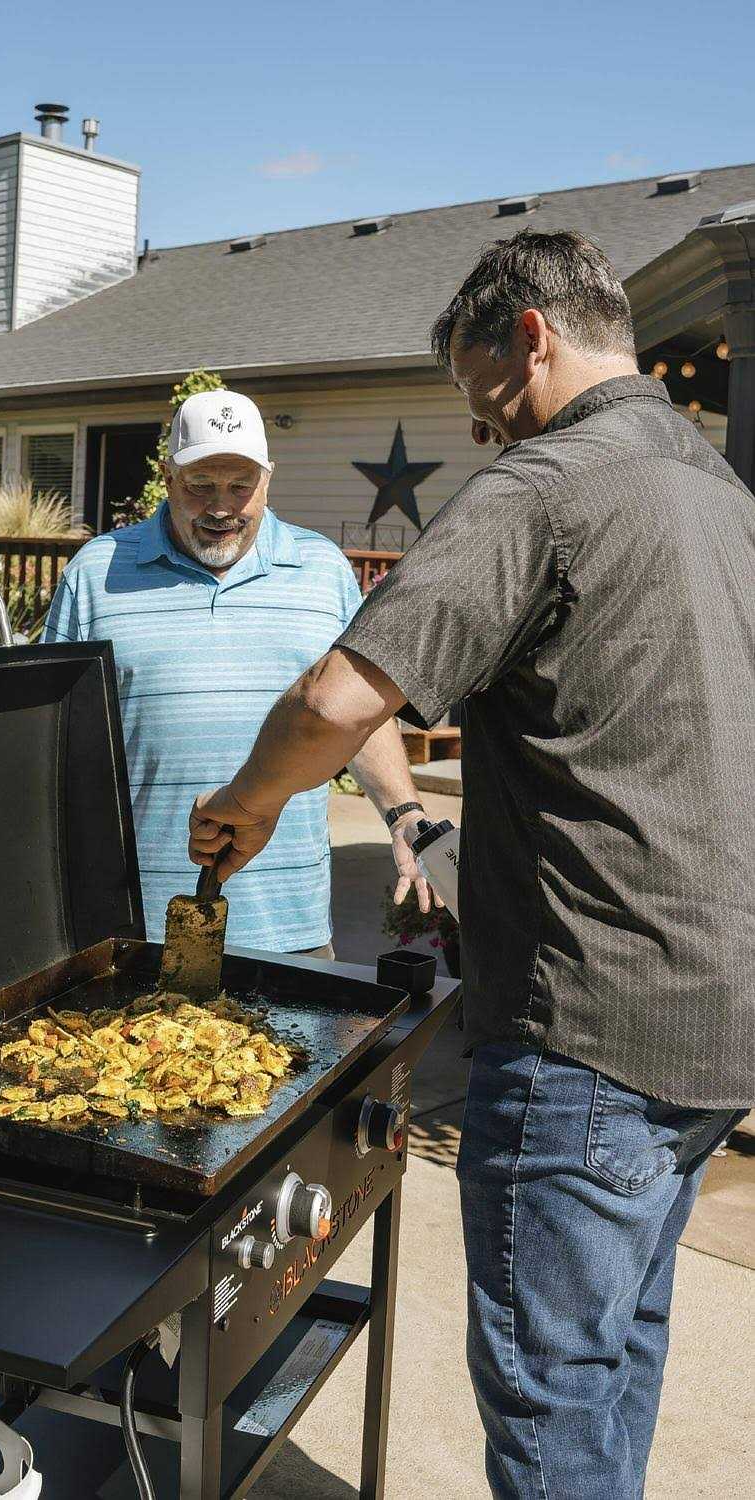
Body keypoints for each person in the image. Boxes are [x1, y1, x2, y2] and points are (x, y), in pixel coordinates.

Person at [188, 229, 753, 1498]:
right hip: (721, 1024)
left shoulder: (545, 488)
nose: (486, 427)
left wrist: (249, 801)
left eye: (480, 391)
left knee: (550, 1392)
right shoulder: (723, 496)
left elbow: (343, 695)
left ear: (533, 336)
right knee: (618, 1348)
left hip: (587, 1036)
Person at [43, 388, 431, 958]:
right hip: (133, 923)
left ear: (268, 481)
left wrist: (404, 814)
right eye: (200, 485)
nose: (221, 506)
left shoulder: (323, 570)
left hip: (289, 923)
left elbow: (358, 716)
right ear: (168, 477)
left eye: (239, 486)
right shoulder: (97, 573)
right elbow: (57, 741)